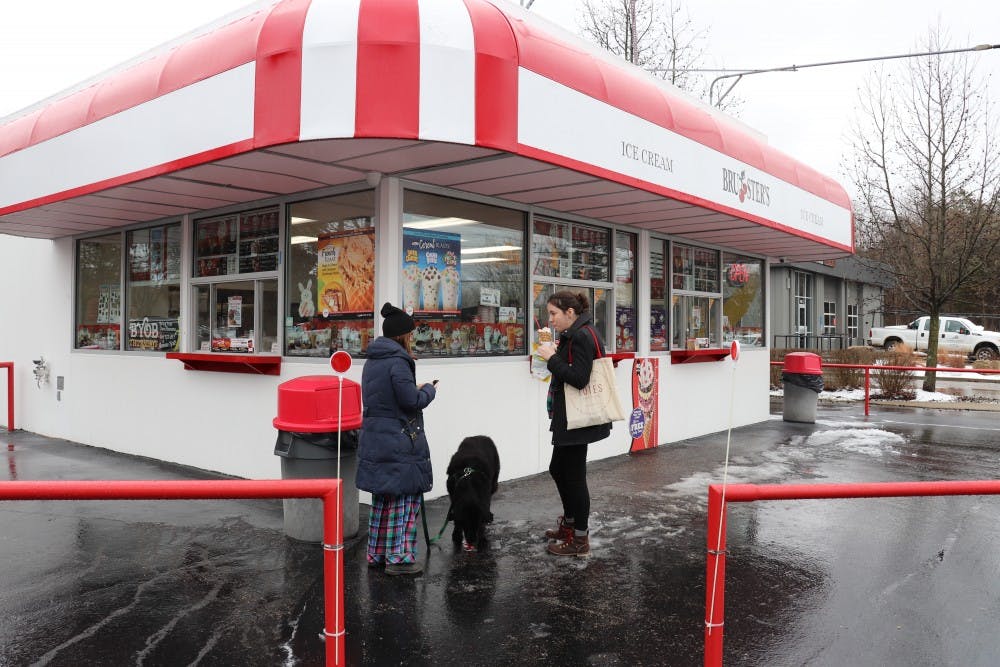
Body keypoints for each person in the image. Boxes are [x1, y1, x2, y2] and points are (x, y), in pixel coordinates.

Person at [356, 302, 437, 575]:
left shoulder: (373, 361)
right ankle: (398, 558)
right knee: (403, 499)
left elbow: (386, 397)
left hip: (376, 438)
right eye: (410, 334)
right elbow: (410, 401)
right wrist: (428, 391)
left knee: (383, 499)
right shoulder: (399, 362)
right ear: (403, 335)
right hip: (398, 440)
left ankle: (378, 553)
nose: (412, 338)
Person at [536, 290, 612, 557]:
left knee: (574, 477)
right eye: (549, 314)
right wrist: (557, 354)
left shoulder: (581, 335)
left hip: (577, 419)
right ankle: (570, 525)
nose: (550, 319)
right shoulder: (581, 332)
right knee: (558, 469)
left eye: (554, 313)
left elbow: (579, 378)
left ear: (570, 312)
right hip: (570, 418)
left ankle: (580, 539)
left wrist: (551, 359)